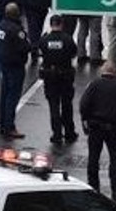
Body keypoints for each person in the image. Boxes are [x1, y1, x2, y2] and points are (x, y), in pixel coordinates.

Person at [80, 62, 116, 199]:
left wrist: (86, 119)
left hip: (96, 126)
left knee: (93, 158)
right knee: (115, 158)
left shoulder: (94, 85)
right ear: (115, 72)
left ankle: (94, 188)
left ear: (103, 71)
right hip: (114, 128)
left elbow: (84, 104)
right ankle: (115, 190)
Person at [38, 15, 79, 143]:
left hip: (50, 76)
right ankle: (69, 132)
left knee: (53, 106)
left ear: (51, 24)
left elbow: (41, 51)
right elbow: (73, 53)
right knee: (67, 105)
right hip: (65, 76)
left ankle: (56, 134)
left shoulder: (45, 39)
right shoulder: (67, 39)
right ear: (61, 24)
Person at [0, 2, 30, 139]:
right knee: (12, 97)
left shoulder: (1, 26)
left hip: (4, 63)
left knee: (5, 95)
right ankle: (9, 126)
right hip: (16, 65)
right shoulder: (16, 30)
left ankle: (3, 124)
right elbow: (23, 47)